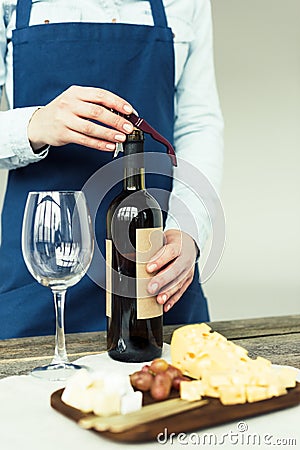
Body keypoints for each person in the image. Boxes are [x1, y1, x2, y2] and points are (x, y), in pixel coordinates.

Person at [0, 0, 224, 339]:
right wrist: (34, 125)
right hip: (40, 276)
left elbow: (199, 125)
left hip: (154, 266)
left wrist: (189, 229)